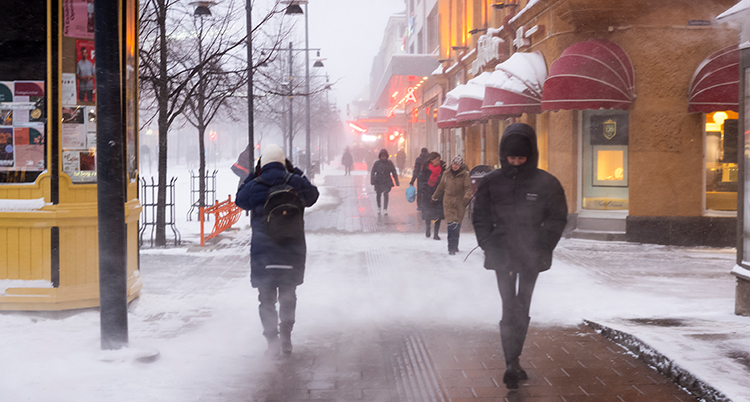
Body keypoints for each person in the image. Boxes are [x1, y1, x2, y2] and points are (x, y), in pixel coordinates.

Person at [472, 123, 568, 389]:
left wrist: (543, 244)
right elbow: (479, 217)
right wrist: (489, 244)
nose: (515, 163)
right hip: (501, 252)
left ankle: (515, 359)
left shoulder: (546, 183)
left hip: (531, 254)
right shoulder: (491, 182)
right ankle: (510, 362)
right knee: (508, 305)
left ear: (531, 155)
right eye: (511, 158)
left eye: (521, 158)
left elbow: (557, 218)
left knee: (522, 304)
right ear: (503, 155)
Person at [235, 144, 319, 357]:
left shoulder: (255, 184)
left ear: (263, 164)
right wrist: (295, 173)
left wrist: (255, 174)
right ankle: (286, 337)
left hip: (264, 253)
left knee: (266, 298)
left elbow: (240, 200)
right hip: (292, 251)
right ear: (284, 163)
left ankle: (272, 341)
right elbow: (313, 196)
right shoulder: (295, 182)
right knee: (289, 295)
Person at [432, 155, 471, 255]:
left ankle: (455, 244)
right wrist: (434, 197)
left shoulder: (465, 175)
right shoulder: (446, 174)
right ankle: (451, 248)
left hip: (460, 203)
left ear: (460, 165)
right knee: (450, 224)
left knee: (457, 225)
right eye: (454, 164)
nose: (455, 166)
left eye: (457, 164)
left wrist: (466, 198)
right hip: (448, 203)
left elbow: (468, 188)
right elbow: (440, 187)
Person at [418, 152, 445, 239]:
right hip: (427, 194)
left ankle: (436, 233)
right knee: (428, 213)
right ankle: (428, 228)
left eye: (439, 159)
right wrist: (425, 188)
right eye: (436, 160)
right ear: (431, 160)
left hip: (439, 194)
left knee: (438, 214)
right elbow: (420, 181)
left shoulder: (443, 169)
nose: (438, 161)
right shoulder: (425, 169)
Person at [370, 148, 399, 214]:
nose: (383, 157)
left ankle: (385, 208)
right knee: (378, 194)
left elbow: (394, 172)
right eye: (382, 156)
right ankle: (379, 207)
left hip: (387, 181)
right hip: (378, 181)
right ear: (380, 156)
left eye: (384, 156)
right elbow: (373, 172)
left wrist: (396, 181)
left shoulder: (389, 163)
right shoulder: (377, 163)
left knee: (386, 194)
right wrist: (372, 180)